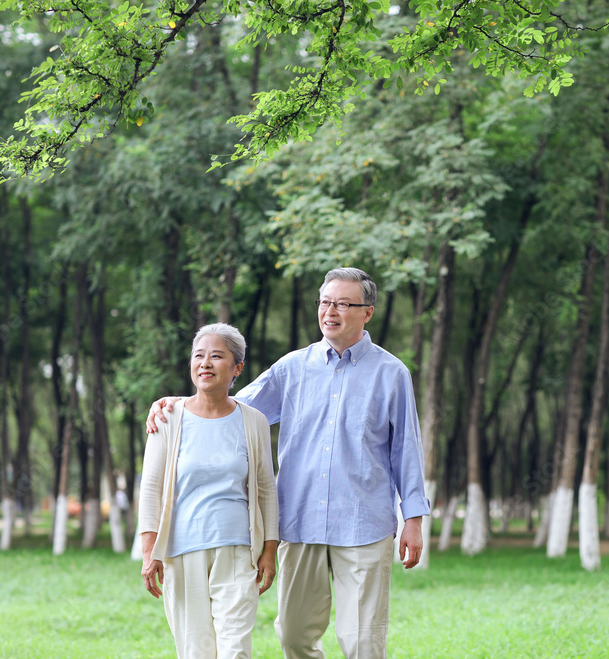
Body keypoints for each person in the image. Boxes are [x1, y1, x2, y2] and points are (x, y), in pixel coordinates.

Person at [147, 267, 430, 659]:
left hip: (363, 523)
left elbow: (406, 450)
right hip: (300, 523)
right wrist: (177, 406)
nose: (331, 311)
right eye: (326, 302)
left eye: (344, 303)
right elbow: (229, 407)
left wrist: (413, 519)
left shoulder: (391, 373)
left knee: (362, 642)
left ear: (367, 312)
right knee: (295, 639)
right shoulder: (292, 368)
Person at [139, 323, 279, 658]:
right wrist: (149, 552)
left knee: (235, 649)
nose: (205, 363)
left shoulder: (254, 420)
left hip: (238, 549)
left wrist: (270, 552)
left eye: (217, 356)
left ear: (237, 368)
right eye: (199, 356)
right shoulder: (169, 417)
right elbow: (151, 487)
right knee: (195, 651)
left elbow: (266, 491)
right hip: (182, 550)